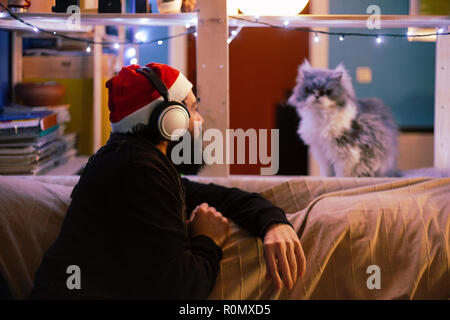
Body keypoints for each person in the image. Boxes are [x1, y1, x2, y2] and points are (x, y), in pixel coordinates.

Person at [30, 63, 306, 299]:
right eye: (192, 109)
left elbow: (224, 197)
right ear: (169, 118)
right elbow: (182, 290)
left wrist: (274, 222)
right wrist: (208, 239)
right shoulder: (136, 172)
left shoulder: (138, 162)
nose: (198, 120)